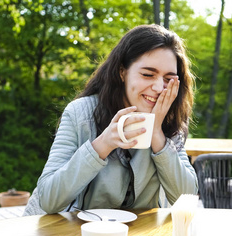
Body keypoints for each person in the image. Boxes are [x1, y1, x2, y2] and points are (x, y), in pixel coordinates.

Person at [24, 24, 198, 216]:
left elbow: (186, 197)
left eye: (168, 79)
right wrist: (102, 145)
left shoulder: (170, 120)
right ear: (122, 72)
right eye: (148, 74)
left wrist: (157, 133)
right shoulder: (80, 113)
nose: (158, 87)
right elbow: (48, 199)